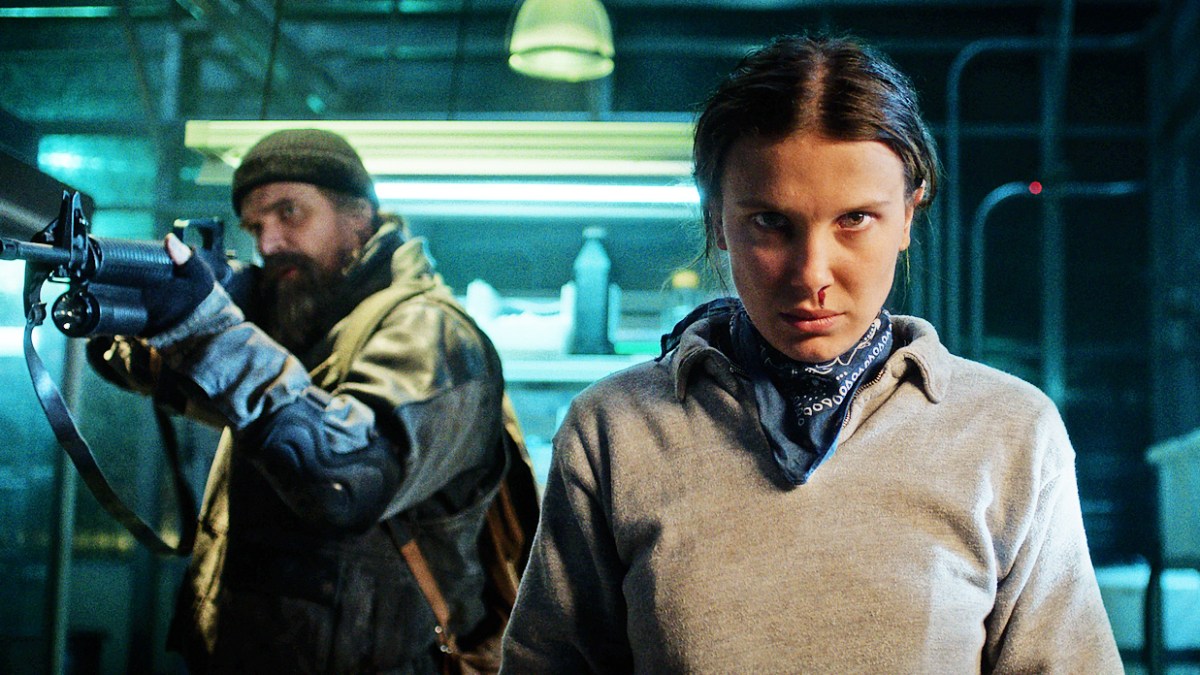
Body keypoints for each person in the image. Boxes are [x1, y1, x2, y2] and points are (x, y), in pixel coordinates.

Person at [500, 34, 1123, 673]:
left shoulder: (1010, 433)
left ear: (908, 216)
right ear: (717, 220)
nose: (811, 275)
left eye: (855, 220)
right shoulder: (614, 432)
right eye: (771, 223)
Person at [89, 128, 512, 672]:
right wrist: (123, 310)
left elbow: (345, 479)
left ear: (359, 215)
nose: (268, 244)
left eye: (290, 213)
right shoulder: (301, 320)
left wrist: (207, 327)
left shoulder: (432, 334)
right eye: (255, 227)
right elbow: (161, 376)